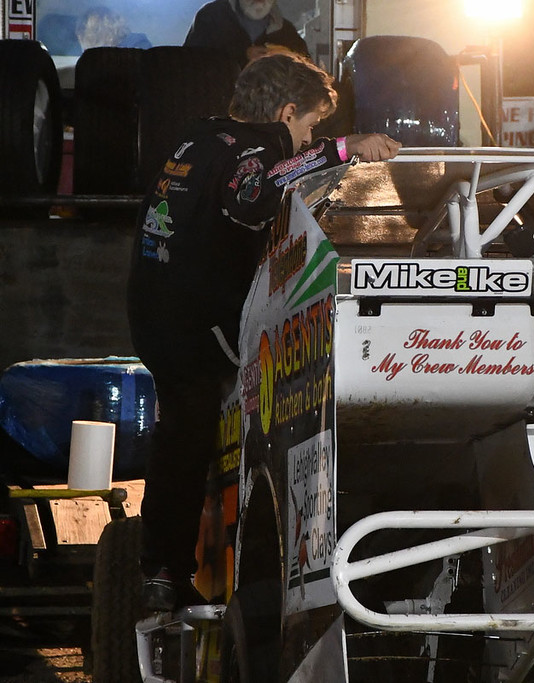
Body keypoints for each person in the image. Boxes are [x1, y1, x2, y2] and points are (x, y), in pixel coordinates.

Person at [126, 52, 400, 612]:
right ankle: (169, 571)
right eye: (310, 126)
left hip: (156, 313)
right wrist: (340, 150)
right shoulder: (258, 149)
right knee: (192, 436)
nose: (307, 139)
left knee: (183, 435)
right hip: (193, 325)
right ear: (287, 112)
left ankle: (166, 570)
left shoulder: (200, 138)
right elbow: (251, 199)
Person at [184, 0, 308, 68]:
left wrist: (288, 58)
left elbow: (309, 72)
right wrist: (243, 55)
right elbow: (190, 64)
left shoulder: (287, 32)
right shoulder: (211, 16)